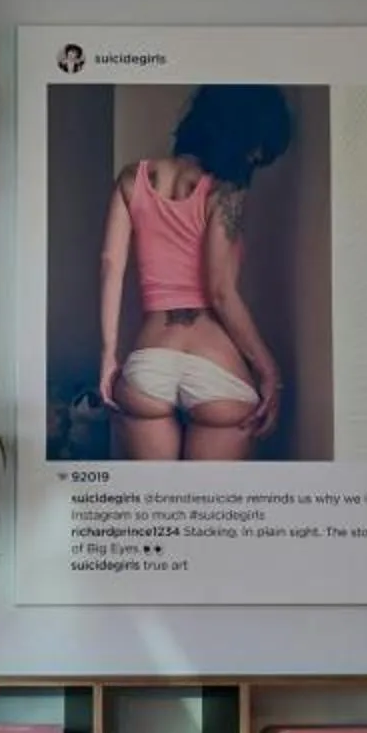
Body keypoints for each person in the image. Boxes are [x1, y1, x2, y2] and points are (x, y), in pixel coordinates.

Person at [95, 84, 294, 461]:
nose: (253, 158)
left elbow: (110, 265)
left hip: (150, 360)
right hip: (214, 363)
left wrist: (108, 355)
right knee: (208, 515)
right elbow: (220, 292)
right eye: (256, 149)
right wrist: (269, 372)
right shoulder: (226, 190)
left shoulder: (131, 178)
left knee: (158, 514)